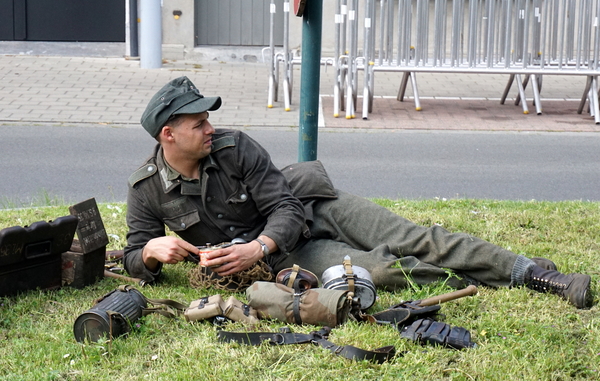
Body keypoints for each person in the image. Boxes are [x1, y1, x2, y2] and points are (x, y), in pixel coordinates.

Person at [123, 76, 593, 309]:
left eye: (208, 119)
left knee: (415, 237)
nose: (210, 128)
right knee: (384, 271)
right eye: (197, 123)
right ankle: (483, 277)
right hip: (290, 256)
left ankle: (533, 275)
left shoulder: (234, 146)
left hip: (310, 208)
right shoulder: (146, 188)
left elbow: (285, 206)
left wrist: (257, 246)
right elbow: (132, 259)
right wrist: (148, 252)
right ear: (168, 134)